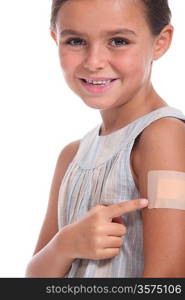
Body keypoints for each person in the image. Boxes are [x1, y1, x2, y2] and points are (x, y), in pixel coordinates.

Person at [25, 0, 185, 277]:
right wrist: (64, 246)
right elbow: (34, 281)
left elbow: (168, 278)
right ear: (56, 39)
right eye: (75, 40)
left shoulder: (164, 137)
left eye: (119, 41)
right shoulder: (71, 156)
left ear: (160, 42)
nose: (94, 61)